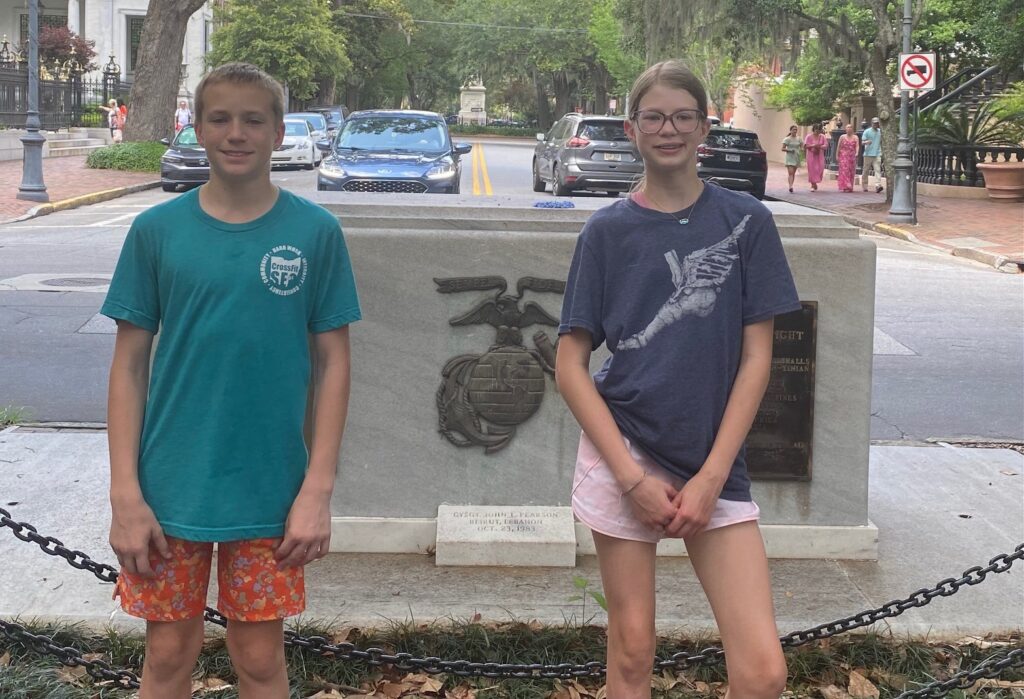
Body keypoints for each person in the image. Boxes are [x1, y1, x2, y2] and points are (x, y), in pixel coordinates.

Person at [101, 62, 361, 698]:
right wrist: (125, 495)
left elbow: (334, 365)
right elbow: (129, 366)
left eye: (253, 119)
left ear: (279, 132)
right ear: (197, 127)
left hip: (269, 488)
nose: (236, 133)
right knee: (166, 655)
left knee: (259, 656)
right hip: (170, 486)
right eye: (220, 118)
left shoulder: (314, 233)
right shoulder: (157, 231)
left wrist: (317, 489)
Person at [556, 59, 800, 699]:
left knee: (763, 671)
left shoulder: (746, 222)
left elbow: (757, 359)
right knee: (633, 650)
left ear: (704, 129)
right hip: (626, 452)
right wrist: (630, 478)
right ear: (632, 130)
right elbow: (570, 365)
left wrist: (712, 476)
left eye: (683, 117)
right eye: (654, 117)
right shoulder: (607, 231)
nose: (669, 129)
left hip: (713, 463)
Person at [861, 117, 883, 193]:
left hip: (877, 153)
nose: (875, 124)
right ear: (871, 123)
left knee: (877, 170)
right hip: (868, 153)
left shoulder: (880, 132)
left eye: (877, 123)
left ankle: (878, 185)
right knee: (866, 170)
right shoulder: (867, 131)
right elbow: (862, 142)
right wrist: (867, 142)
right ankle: (865, 185)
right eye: (874, 123)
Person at [803, 123, 828, 191]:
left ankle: (815, 183)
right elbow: (805, 146)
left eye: (819, 129)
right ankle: (813, 185)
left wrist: (820, 146)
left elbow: (826, 145)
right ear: (813, 129)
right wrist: (813, 145)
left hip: (820, 155)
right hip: (811, 155)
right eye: (816, 129)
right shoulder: (808, 136)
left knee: (820, 168)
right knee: (812, 170)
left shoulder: (822, 136)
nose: (817, 131)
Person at [836, 123, 859, 192]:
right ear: (845, 129)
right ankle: (846, 185)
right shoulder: (842, 137)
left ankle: (849, 186)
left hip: (852, 156)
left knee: (851, 170)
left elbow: (857, 146)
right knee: (844, 170)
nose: (849, 129)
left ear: (852, 129)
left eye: (850, 127)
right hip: (843, 155)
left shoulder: (855, 137)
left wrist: (857, 152)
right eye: (847, 127)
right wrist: (837, 155)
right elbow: (838, 146)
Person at [781, 125, 802, 193]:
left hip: (796, 157)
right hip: (789, 157)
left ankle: (791, 185)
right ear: (790, 130)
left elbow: (802, 146)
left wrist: (802, 149)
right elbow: (782, 148)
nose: (795, 131)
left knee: (793, 173)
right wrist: (789, 150)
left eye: (796, 130)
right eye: (793, 129)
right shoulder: (787, 139)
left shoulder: (799, 138)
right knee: (791, 172)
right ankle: (790, 186)